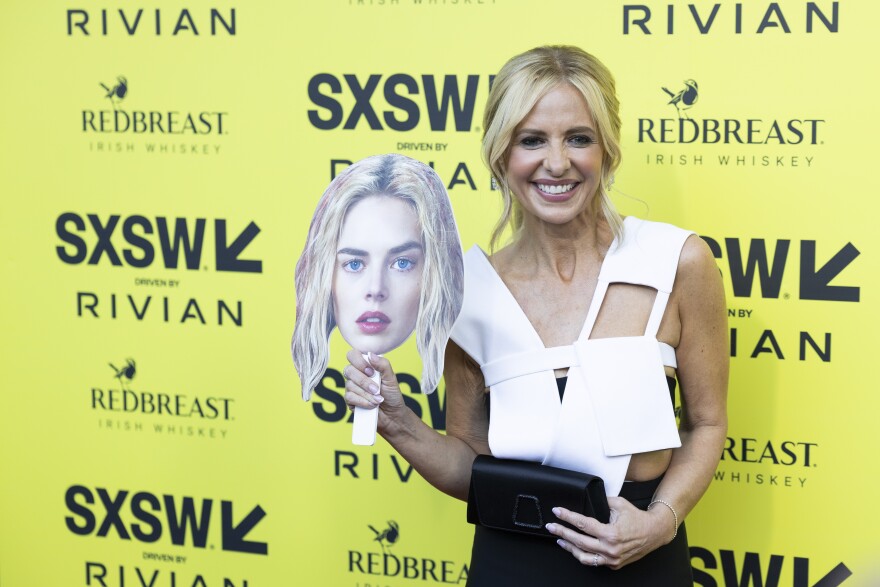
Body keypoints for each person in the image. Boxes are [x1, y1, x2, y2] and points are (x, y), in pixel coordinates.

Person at [343, 46, 728, 586]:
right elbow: (470, 466)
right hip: (511, 564)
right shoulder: (466, 291)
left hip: (645, 563)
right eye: (531, 140)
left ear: (607, 150)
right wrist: (398, 423)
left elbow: (707, 423)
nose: (556, 162)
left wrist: (659, 524)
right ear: (501, 156)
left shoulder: (677, 262)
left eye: (578, 138)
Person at [292, 153, 464, 401]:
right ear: (323, 272)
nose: (375, 289)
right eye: (353, 264)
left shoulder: (472, 355)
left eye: (402, 263)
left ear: (435, 270)